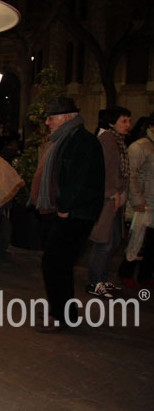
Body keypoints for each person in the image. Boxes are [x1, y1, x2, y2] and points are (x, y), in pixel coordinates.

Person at [31, 97, 104, 332]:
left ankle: (61, 316)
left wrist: (64, 207)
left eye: (51, 117)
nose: (47, 122)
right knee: (59, 264)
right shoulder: (64, 138)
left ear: (66, 117)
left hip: (73, 214)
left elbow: (79, 179)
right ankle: (63, 312)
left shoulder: (82, 140)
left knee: (54, 264)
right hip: (62, 212)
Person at [86, 106, 131, 298]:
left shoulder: (117, 140)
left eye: (128, 121)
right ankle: (95, 281)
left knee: (113, 240)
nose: (128, 125)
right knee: (104, 241)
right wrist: (113, 193)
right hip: (108, 199)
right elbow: (104, 170)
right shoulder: (107, 140)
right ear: (112, 122)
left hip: (115, 197)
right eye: (124, 121)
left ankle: (102, 279)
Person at [118, 113, 154, 289]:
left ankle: (146, 274)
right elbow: (130, 175)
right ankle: (126, 272)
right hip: (144, 203)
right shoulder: (140, 147)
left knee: (151, 243)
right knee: (138, 240)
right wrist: (137, 200)